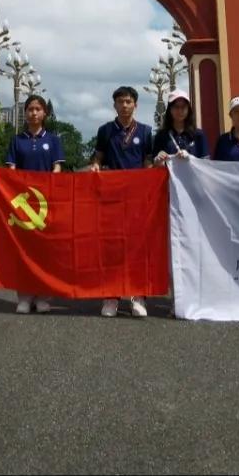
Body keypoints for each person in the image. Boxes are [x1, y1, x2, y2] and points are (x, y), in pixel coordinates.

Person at [90, 85, 154, 318]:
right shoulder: (106, 130)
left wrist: (150, 179)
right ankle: (111, 296)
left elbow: (147, 161)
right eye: (120, 102)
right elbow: (98, 157)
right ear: (114, 105)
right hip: (112, 197)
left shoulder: (146, 131)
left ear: (135, 105)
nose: (125, 105)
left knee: (138, 246)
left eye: (128, 101)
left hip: (137, 198)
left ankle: (138, 296)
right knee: (112, 247)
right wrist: (95, 166)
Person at [5, 94, 64, 315]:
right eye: (30, 109)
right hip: (24, 203)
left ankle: (43, 296)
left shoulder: (53, 140)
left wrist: (49, 187)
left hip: (45, 203)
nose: (34, 113)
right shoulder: (16, 140)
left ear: (44, 113)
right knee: (23, 250)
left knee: (44, 251)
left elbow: (57, 168)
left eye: (38, 109)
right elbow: (11, 170)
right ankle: (24, 296)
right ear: (25, 113)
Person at [153, 89, 209, 165]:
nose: (180, 111)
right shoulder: (161, 136)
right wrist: (158, 161)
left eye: (183, 107)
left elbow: (206, 164)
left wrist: (190, 158)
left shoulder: (199, 135)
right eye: (176, 107)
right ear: (170, 110)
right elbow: (154, 164)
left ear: (188, 109)